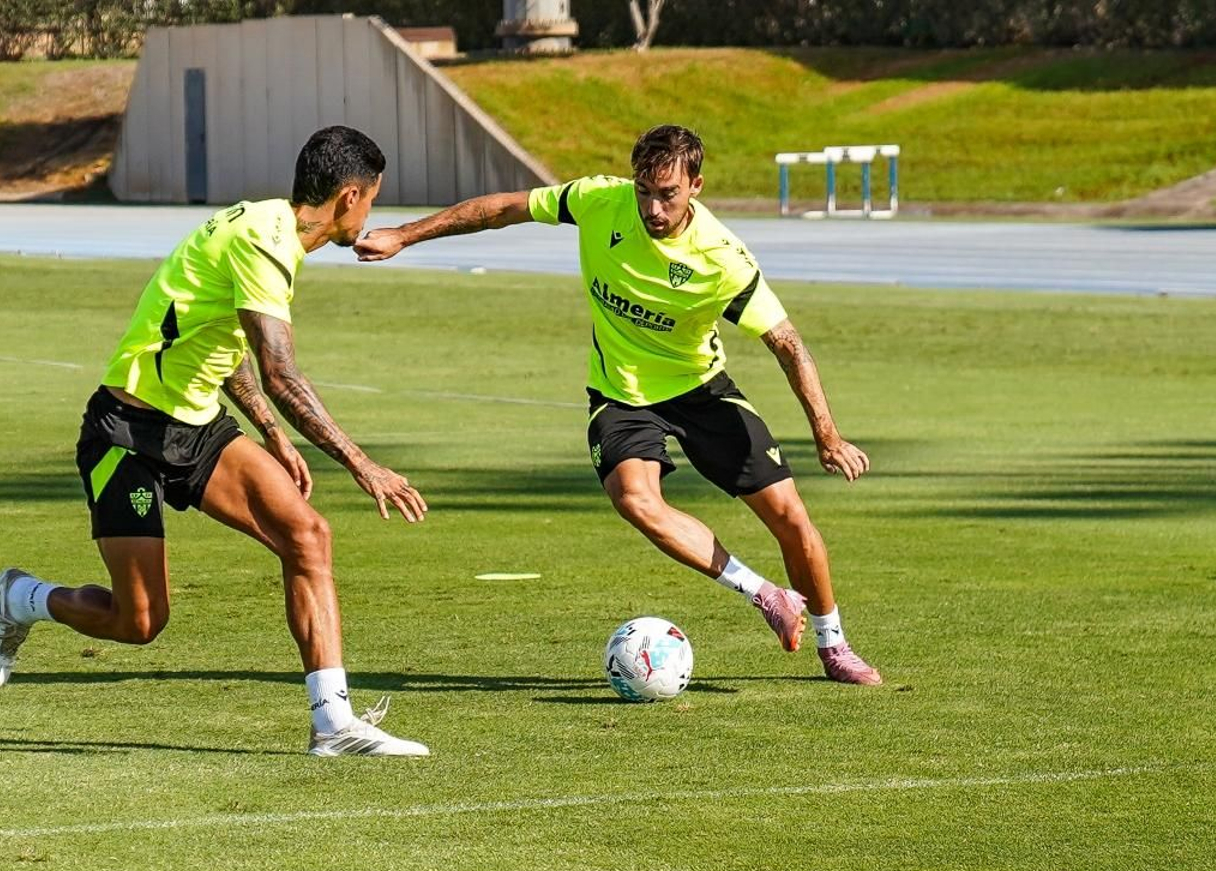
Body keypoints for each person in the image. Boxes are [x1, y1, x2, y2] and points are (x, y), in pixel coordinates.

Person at [354, 125, 881, 685]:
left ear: (696, 186)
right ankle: (765, 594)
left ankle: (835, 646)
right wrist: (405, 235)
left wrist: (827, 434)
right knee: (635, 499)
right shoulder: (599, 200)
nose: (653, 207)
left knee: (790, 518)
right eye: (644, 191)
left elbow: (788, 344)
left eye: (668, 194)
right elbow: (503, 208)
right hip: (620, 393)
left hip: (699, 389)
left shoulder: (722, 260)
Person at [0, 125, 433, 755]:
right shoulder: (266, 242)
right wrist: (363, 464)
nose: (373, 212)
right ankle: (21, 598)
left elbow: (221, 340)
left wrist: (272, 434)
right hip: (127, 434)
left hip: (195, 428)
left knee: (307, 534)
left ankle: (333, 724)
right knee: (139, 622)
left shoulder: (270, 231)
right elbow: (280, 373)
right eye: (375, 198)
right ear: (351, 196)